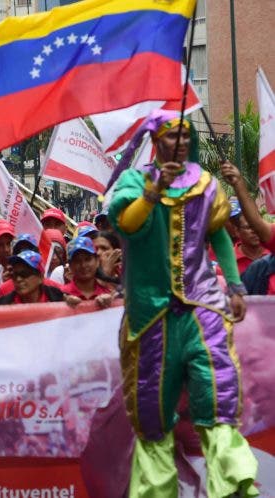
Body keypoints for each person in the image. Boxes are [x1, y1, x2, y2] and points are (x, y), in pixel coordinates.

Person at [110, 111, 257, 497]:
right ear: (156, 141)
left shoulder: (206, 184)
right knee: (153, 414)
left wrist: (236, 285)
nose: (180, 142)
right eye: (172, 135)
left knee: (217, 392)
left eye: (184, 135)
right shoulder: (133, 182)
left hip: (201, 305)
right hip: (150, 313)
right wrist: (153, 191)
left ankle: (235, 484)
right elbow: (127, 225)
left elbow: (219, 236)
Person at [0, 250, 65, 305]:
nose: (18, 279)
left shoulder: (60, 298)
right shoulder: (2, 304)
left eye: (25, 274)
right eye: (15, 274)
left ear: (40, 277)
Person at [61, 237, 114, 309]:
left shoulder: (109, 294)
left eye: (87, 259)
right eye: (77, 261)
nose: (83, 265)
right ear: (70, 266)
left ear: (97, 261)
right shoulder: (61, 294)